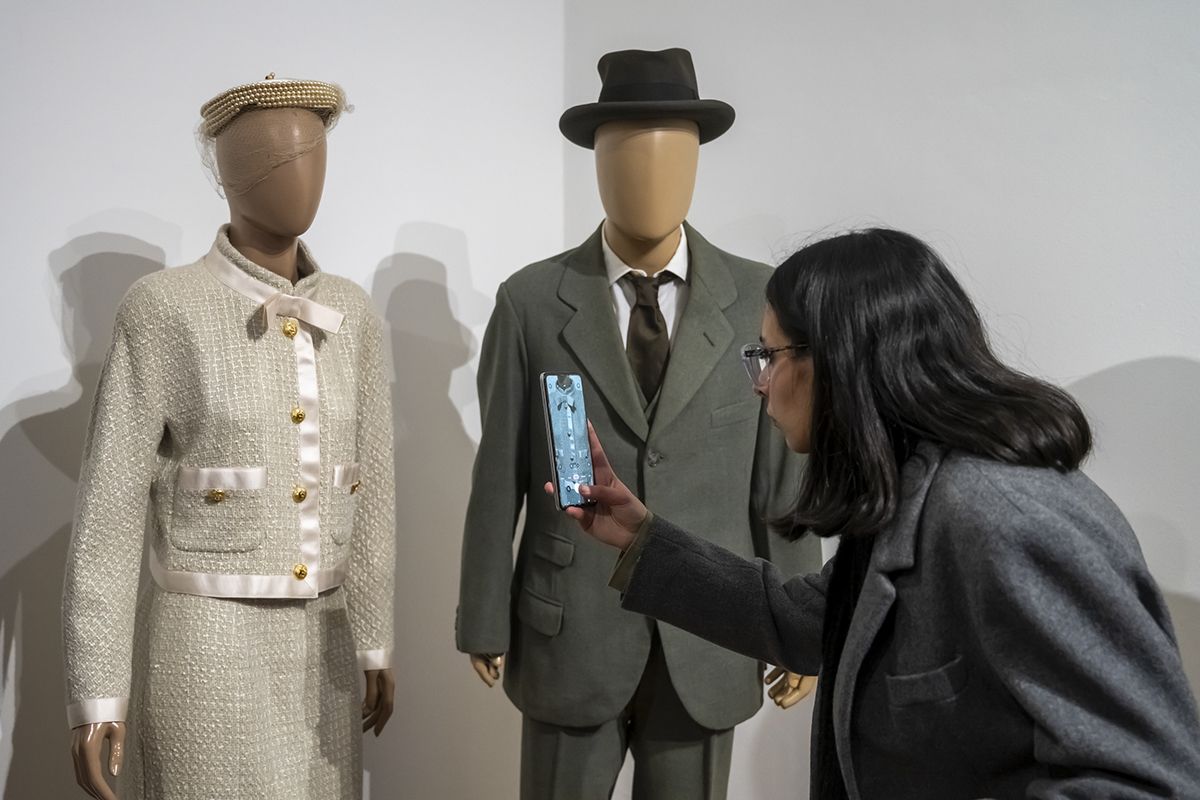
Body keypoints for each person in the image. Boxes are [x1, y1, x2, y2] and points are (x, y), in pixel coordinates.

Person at [552, 228, 1200, 799]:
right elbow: (810, 623)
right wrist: (639, 536)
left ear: (836, 361)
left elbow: (1142, 781)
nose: (758, 383)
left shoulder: (1002, 520)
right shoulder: (918, 493)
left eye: (767, 356)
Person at [457, 47, 820, 800]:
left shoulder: (757, 298)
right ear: (596, 164)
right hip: (571, 632)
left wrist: (799, 623)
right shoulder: (531, 304)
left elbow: (780, 480)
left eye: (671, 155)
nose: (649, 177)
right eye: (625, 154)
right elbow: (499, 475)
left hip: (710, 632)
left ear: (696, 164)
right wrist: (483, 617)